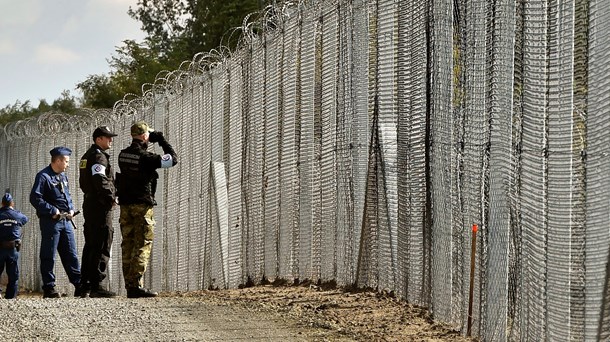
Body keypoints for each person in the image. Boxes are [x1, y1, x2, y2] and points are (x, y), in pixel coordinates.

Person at [117, 121, 178, 298]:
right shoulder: (147, 158)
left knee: (127, 244)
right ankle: (136, 285)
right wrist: (162, 140)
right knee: (143, 244)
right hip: (142, 206)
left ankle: (130, 285)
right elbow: (173, 159)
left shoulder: (123, 155)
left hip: (125, 206)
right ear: (145, 136)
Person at [30, 146, 83, 298]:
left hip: (65, 221)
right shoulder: (43, 176)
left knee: (71, 253)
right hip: (51, 222)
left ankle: (78, 284)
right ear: (58, 160)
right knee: (49, 254)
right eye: (66, 161)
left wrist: (71, 209)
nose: (68, 164)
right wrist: (51, 210)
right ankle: (49, 287)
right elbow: (35, 198)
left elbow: (67, 196)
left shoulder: (62, 176)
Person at [78, 126, 119, 298]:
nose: (110, 140)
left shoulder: (87, 156)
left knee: (91, 243)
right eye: (107, 137)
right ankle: (97, 284)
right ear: (98, 139)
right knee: (102, 241)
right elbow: (100, 179)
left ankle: (85, 284)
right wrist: (111, 197)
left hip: (90, 202)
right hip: (99, 204)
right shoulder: (98, 157)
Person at [0, 193, 28, 299]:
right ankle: (11, 296)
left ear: (2, 203)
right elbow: (25, 219)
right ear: (12, 203)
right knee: (13, 274)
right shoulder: (18, 215)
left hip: (0, 248)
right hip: (13, 249)